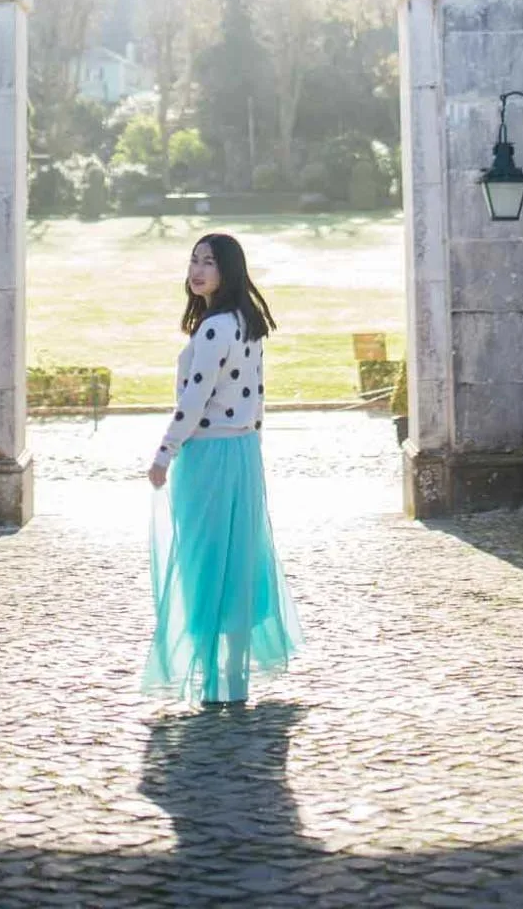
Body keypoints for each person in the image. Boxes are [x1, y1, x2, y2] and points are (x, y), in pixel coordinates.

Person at [142, 232, 302, 706]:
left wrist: (164, 453)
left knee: (205, 562)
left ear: (227, 269)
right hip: (243, 452)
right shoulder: (246, 322)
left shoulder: (214, 328)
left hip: (210, 456)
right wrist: (249, 443)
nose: (197, 270)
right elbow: (257, 395)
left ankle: (210, 675)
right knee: (240, 561)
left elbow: (194, 399)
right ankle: (232, 675)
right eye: (193, 261)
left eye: (208, 262)